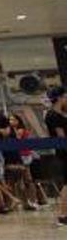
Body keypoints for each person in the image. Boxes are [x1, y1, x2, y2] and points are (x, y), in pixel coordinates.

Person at [45, 90, 67, 227]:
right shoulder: (53, 116)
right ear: (60, 98)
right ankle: (62, 214)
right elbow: (60, 136)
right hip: (64, 152)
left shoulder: (59, 114)